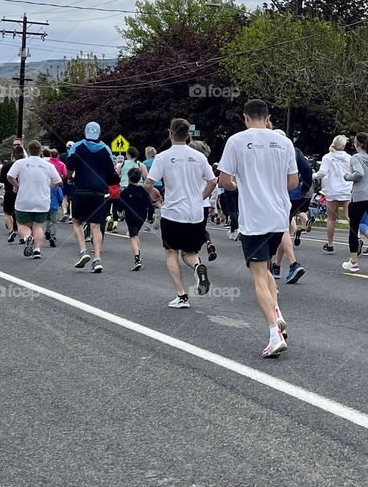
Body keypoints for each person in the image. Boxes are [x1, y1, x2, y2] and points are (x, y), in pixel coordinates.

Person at [218, 100, 299, 358]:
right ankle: (277, 313)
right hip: (278, 216)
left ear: (245, 118)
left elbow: (223, 180)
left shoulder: (236, 141)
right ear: (268, 117)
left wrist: (240, 185)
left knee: (258, 275)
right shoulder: (284, 142)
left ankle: (274, 334)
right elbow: (293, 182)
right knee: (266, 270)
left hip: (254, 218)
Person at [145, 119, 215, 309]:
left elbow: (149, 183)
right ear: (188, 136)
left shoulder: (163, 157)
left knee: (171, 252)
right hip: (196, 213)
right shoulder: (199, 157)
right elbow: (212, 181)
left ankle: (182, 295)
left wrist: (154, 194)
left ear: (170, 133)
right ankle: (197, 267)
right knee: (190, 253)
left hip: (173, 213)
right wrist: (200, 197)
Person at [66, 121, 116, 273]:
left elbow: (69, 166)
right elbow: (112, 172)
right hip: (99, 192)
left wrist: (70, 178)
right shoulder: (106, 149)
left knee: (77, 222)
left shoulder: (77, 147)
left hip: (81, 189)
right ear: (99, 133)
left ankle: (83, 251)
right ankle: (97, 258)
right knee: (96, 226)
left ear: (85, 132)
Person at [7, 140, 63, 260]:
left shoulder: (20, 163)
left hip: (24, 199)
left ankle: (28, 237)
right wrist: (49, 187)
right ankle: (37, 250)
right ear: (40, 151)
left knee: (22, 224)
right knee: (38, 226)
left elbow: (10, 176)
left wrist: (17, 185)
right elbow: (58, 181)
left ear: (28, 150)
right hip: (42, 200)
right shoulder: (48, 165)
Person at [270, 130, 307, 284]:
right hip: (293, 195)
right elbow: (306, 169)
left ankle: (293, 263)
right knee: (282, 228)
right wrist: (305, 190)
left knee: (282, 229)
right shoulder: (292, 151)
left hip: (275, 195)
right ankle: (277, 266)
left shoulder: (269, 153)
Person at [342, 132, 368, 272]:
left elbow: (359, 174)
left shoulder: (355, 158)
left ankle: (353, 261)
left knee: (354, 228)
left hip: (359, 197)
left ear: (357, 144)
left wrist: (348, 177)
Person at [313, 135, 353, 253]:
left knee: (331, 218)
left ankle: (330, 243)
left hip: (333, 190)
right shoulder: (349, 158)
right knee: (349, 217)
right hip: (346, 189)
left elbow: (322, 173)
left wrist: (312, 176)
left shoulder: (328, 157)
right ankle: (357, 238)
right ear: (344, 146)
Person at [121, 167, 151, 271]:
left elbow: (120, 205)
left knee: (133, 236)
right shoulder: (143, 191)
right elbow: (150, 205)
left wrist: (119, 211)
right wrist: (150, 216)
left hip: (130, 216)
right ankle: (138, 253)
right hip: (141, 216)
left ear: (129, 177)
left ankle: (137, 258)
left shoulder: (126, 191)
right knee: (136, 234)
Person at [0, 146, 24, 242]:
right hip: (22, 192)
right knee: (20, 214)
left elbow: (2, 179)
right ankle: (22, 235)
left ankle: (11, 231)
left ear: (13, 155)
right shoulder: (25, 166)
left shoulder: (7, 166)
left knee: (7, 213)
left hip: (9, 191)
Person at [46, 181, 63, 248]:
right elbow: (60, 197)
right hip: (54, 206)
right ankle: (53, 236)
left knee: (48, 219)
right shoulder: (57, 188)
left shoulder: (46, 186)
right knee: (54, 222)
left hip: (45, 206)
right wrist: (59, 203)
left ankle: (47, 230)